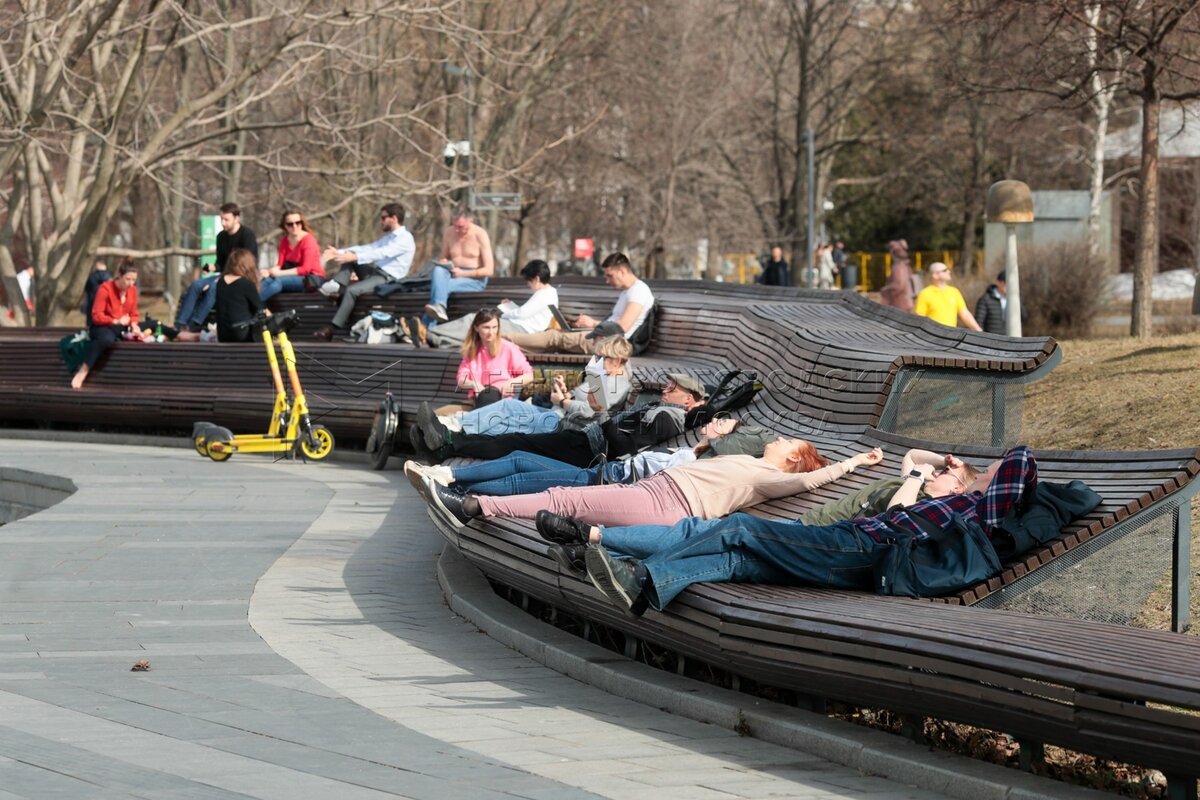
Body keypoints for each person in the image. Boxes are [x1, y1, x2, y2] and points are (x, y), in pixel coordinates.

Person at [580, 446, 1038, 616]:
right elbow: (914, 462)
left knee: (738, 526)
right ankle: (644, 580)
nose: (987, 469)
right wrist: (942, 466)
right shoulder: (960, 502)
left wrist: (983, 473)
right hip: (854, 549)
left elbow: (1021, 458)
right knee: (739, 559)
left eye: (989, 471)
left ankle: (636, 573)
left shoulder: (976, 508)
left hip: (859, 548)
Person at [427, 437, 883, 532]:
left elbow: (810, 482)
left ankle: (473, 506)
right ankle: (473, 501)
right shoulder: (748, 459)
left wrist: (854, 462)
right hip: (653, 490)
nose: (779, 439)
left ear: (794, 458)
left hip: (667, 506)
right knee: (563, 499)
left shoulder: (771, 478)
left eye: (787, 442)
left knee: (565, 500)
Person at [407, 418, 774, 500]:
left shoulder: (698, 464)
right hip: (599, 472)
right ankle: (446, 476)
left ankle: (450, 484)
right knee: (519, 456)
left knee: (521, 475)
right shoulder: (690, 452)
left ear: (728, 439)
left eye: (722, 423)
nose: (714, 422)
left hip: (599, 482)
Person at [413, 373, 707, 468]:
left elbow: (622, 443)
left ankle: (447, 443)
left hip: (590, 452)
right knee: (514, 437)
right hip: (585, 439)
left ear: (689, 399)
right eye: (667, 386)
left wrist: (601, 414)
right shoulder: (663, 411)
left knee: (514, 442)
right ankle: (446, 442)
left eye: (673, 388)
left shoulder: (668, 418)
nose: (665, 389)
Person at [417, 335, 632, 441]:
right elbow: (581, 399)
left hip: (566, 427)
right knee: (508, 410)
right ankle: (453, 426)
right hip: (558, 416)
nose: (599, 361)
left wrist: (563, 401)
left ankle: (452, 429)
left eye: (604, 357)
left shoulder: (618, 384)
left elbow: (590, 411)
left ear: (618, 359)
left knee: (507, 420)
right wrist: (564, 392)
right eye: (599, 356)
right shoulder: (603, 375)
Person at [504, 252, 654, 355]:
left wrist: (593, 323)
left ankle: (504, 338)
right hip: (603, 338)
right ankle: (506, 345)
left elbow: (622, 327)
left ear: (622, 271)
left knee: (554, 337)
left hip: (612, 344)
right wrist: (589, 325)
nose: (607, 280)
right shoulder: (628, 292)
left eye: (610, 275)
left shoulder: (638, 291)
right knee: (555, 338)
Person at [70, 258, 179, 390]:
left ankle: (179, 334)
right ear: (119, 276)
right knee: (106, 339)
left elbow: (134, 313)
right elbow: (96, 315)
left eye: (134, 280)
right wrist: (115, 321)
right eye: (128, 279)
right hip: (102, 326)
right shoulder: (105, 289)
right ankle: (83, 370)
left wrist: (134, 325)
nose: (131, 283)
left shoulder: (132, 291)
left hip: (123, 327)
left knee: (155, 324)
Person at [314, 202, 415, 340]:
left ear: (394, 218)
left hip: (388, 279)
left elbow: (382, 253)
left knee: (352, 290)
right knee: (350, 259)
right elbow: (368, 248)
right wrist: (339, 252)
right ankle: (338, 287)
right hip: (376, 273)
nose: (381, 221)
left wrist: (355, 257)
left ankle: (331, 328)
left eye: (383, 218)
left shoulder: (405, 238)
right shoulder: (389, 237)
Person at [424, 259, 558, 348]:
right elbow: (527, 313)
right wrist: (511, 307)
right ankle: (436, 339)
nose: (528, 284)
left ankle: (428, 333)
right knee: (477, 329)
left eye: (528, 280)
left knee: (474, 320)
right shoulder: (545, 293)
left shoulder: (546, 294)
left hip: (521, 329)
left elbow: (522, 314)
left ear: (536, 278)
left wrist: (504, 314)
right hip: (520, 326)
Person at [175, 203, 257, 331]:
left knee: (215, 287)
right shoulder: (221, 237)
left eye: (226, 220)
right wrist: (212, 267)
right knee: (196, 285)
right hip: (223, 275)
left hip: (242, 276)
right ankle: (179, 325)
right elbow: (221, 263)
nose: (223, 223)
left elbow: (249, 264)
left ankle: (194, 324)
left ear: (237, 218)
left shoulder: (247, 235)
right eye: (221, 219)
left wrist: (222, 278)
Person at [422, 207, 495, 326]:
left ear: (470, 221)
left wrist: (463, 273)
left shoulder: (480, 234)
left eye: (460, 226)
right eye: (454, 225)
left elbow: (489, 270)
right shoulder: (449, 232)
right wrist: (444, 262)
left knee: (441, 288)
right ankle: (439, 308)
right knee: (438, 270)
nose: (456, 230)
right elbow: (443, 257)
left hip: (474, 279)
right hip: (453, 273)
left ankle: (425, 327)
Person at [452, 308, 533, 406]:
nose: (491, 332)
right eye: (486, 327)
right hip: (477, 399)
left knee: (489, 399)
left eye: (494, 327)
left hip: (500, 399)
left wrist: (512, 382)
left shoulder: (508, 348)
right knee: (441, 412)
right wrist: (474, 384)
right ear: (476, 328)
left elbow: (529, 375)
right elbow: (461, 379)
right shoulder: (472, 349)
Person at [259, 209, 324, 302]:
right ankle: (250, 304)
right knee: (266, 281)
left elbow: (305, 269)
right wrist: (269, 272)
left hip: (311, 279)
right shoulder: (284, 241)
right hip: (292, 276)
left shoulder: (309, 240)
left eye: (298, 223)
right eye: (290, 224)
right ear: (285, 226)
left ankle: (254, 305)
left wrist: (279, 273)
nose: (294, 226)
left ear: (301, 223)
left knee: (278, 281)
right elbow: (280, 265)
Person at [215, 249, 269, 343]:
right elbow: (261, 310)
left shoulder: (220, 282)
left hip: (223, 336)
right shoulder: (246, 284)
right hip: (242, 334)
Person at [914, 262, 982, 331]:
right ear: (935, 275)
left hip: (951, 334)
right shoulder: (925, 294)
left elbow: (965, 314)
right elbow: (920, 317)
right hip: (932, 334)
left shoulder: (954, 292)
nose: (949, 272)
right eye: (944, 270)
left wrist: (978, 330)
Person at [879, 239, 914, 312]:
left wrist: (884, 290)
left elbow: (898, 285)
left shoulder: (898, 267)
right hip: (906, 303)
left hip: (900, 304)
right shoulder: (905, 266)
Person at [974, 271, 1008, 335]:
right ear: (998, 282)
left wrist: (1016, 299)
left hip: (1010, 338)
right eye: (1005, 283)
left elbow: (1023, 317)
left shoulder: (1012, 300)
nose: (1008, 286)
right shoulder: (985, 299)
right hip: (991, 338)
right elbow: (978, 322)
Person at [82, 261, 111, 326]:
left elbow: (87, 288)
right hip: (105, 302)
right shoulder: (109, 277)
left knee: (91, 320)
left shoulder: (92, 276)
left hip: (92, 300)